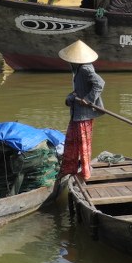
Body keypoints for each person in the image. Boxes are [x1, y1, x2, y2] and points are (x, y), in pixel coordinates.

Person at [57, 40, 105, 181]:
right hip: (76, 114)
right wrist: (70, 98)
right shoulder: (78, 69)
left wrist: (89, 99)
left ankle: (85, 173)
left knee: (83, 145)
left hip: (84, 115)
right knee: (71, 141)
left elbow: (99, 83)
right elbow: (77, 91)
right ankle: (68, 169)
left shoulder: (85, 69)